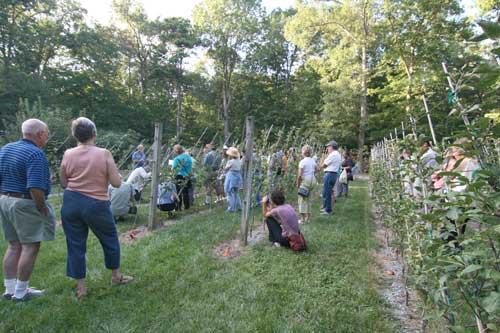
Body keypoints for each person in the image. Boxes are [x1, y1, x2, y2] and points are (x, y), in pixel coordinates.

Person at [60, 117, 133, 299]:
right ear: (94, 134)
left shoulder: (68, 153)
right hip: (96, 203)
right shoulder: (104, 153)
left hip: (70, 202)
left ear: (75, 135)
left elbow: (63, 181)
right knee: (109, 239)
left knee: (75, 245)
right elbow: (116, 183)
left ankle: (81, 289)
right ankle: (115, 276)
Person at [0, 119, 55, 302]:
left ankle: (9, 290)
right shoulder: (35, 154)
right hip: (24, 202)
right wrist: (41, 207)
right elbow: (35, 187)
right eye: (46, 134)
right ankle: (21, 292)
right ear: (39, 134)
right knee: (30, 246)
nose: (47, 138)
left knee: (13, 244)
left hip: (5, 200)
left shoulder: (6, 149)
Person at [297, 145, 318, 224]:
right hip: (313, 180)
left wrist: (298, 185)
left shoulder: (302, 162)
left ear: (303, 152)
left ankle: (302, 219)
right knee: (308, 199)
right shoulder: (312, 160)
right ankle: (308, 218)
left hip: (306, 181)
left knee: (302, 200)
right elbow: (317, 169)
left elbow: (299, 175)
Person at [320, 140, 342, 215]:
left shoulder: (333, 155)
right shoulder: (337, 154)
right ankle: (326, 208)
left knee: (327, 192)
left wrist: (319, 167)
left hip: (329, 174)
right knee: (328, 192)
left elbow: (324, 164)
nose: (327, 149)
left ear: (332, 147)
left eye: (328, 147)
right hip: (333, 174)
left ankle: (328, 210)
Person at [171, 144, 193, 211]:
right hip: (187, 175)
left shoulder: (177, 159)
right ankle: (187, 206)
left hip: (179, 176)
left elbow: (173, 168)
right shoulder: (188, 157)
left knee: (178, 192)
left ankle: (178, 207)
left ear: (176, 151)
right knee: (185, 192)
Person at [224, 147, 242, 212]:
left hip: (231, 176)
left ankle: (232, 207)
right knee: (236, 192)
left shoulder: (230, 162)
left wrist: (225, 167)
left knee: (229, 192)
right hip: (238, 176)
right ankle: (239, 206)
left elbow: (226, 168)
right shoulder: (239, 161)